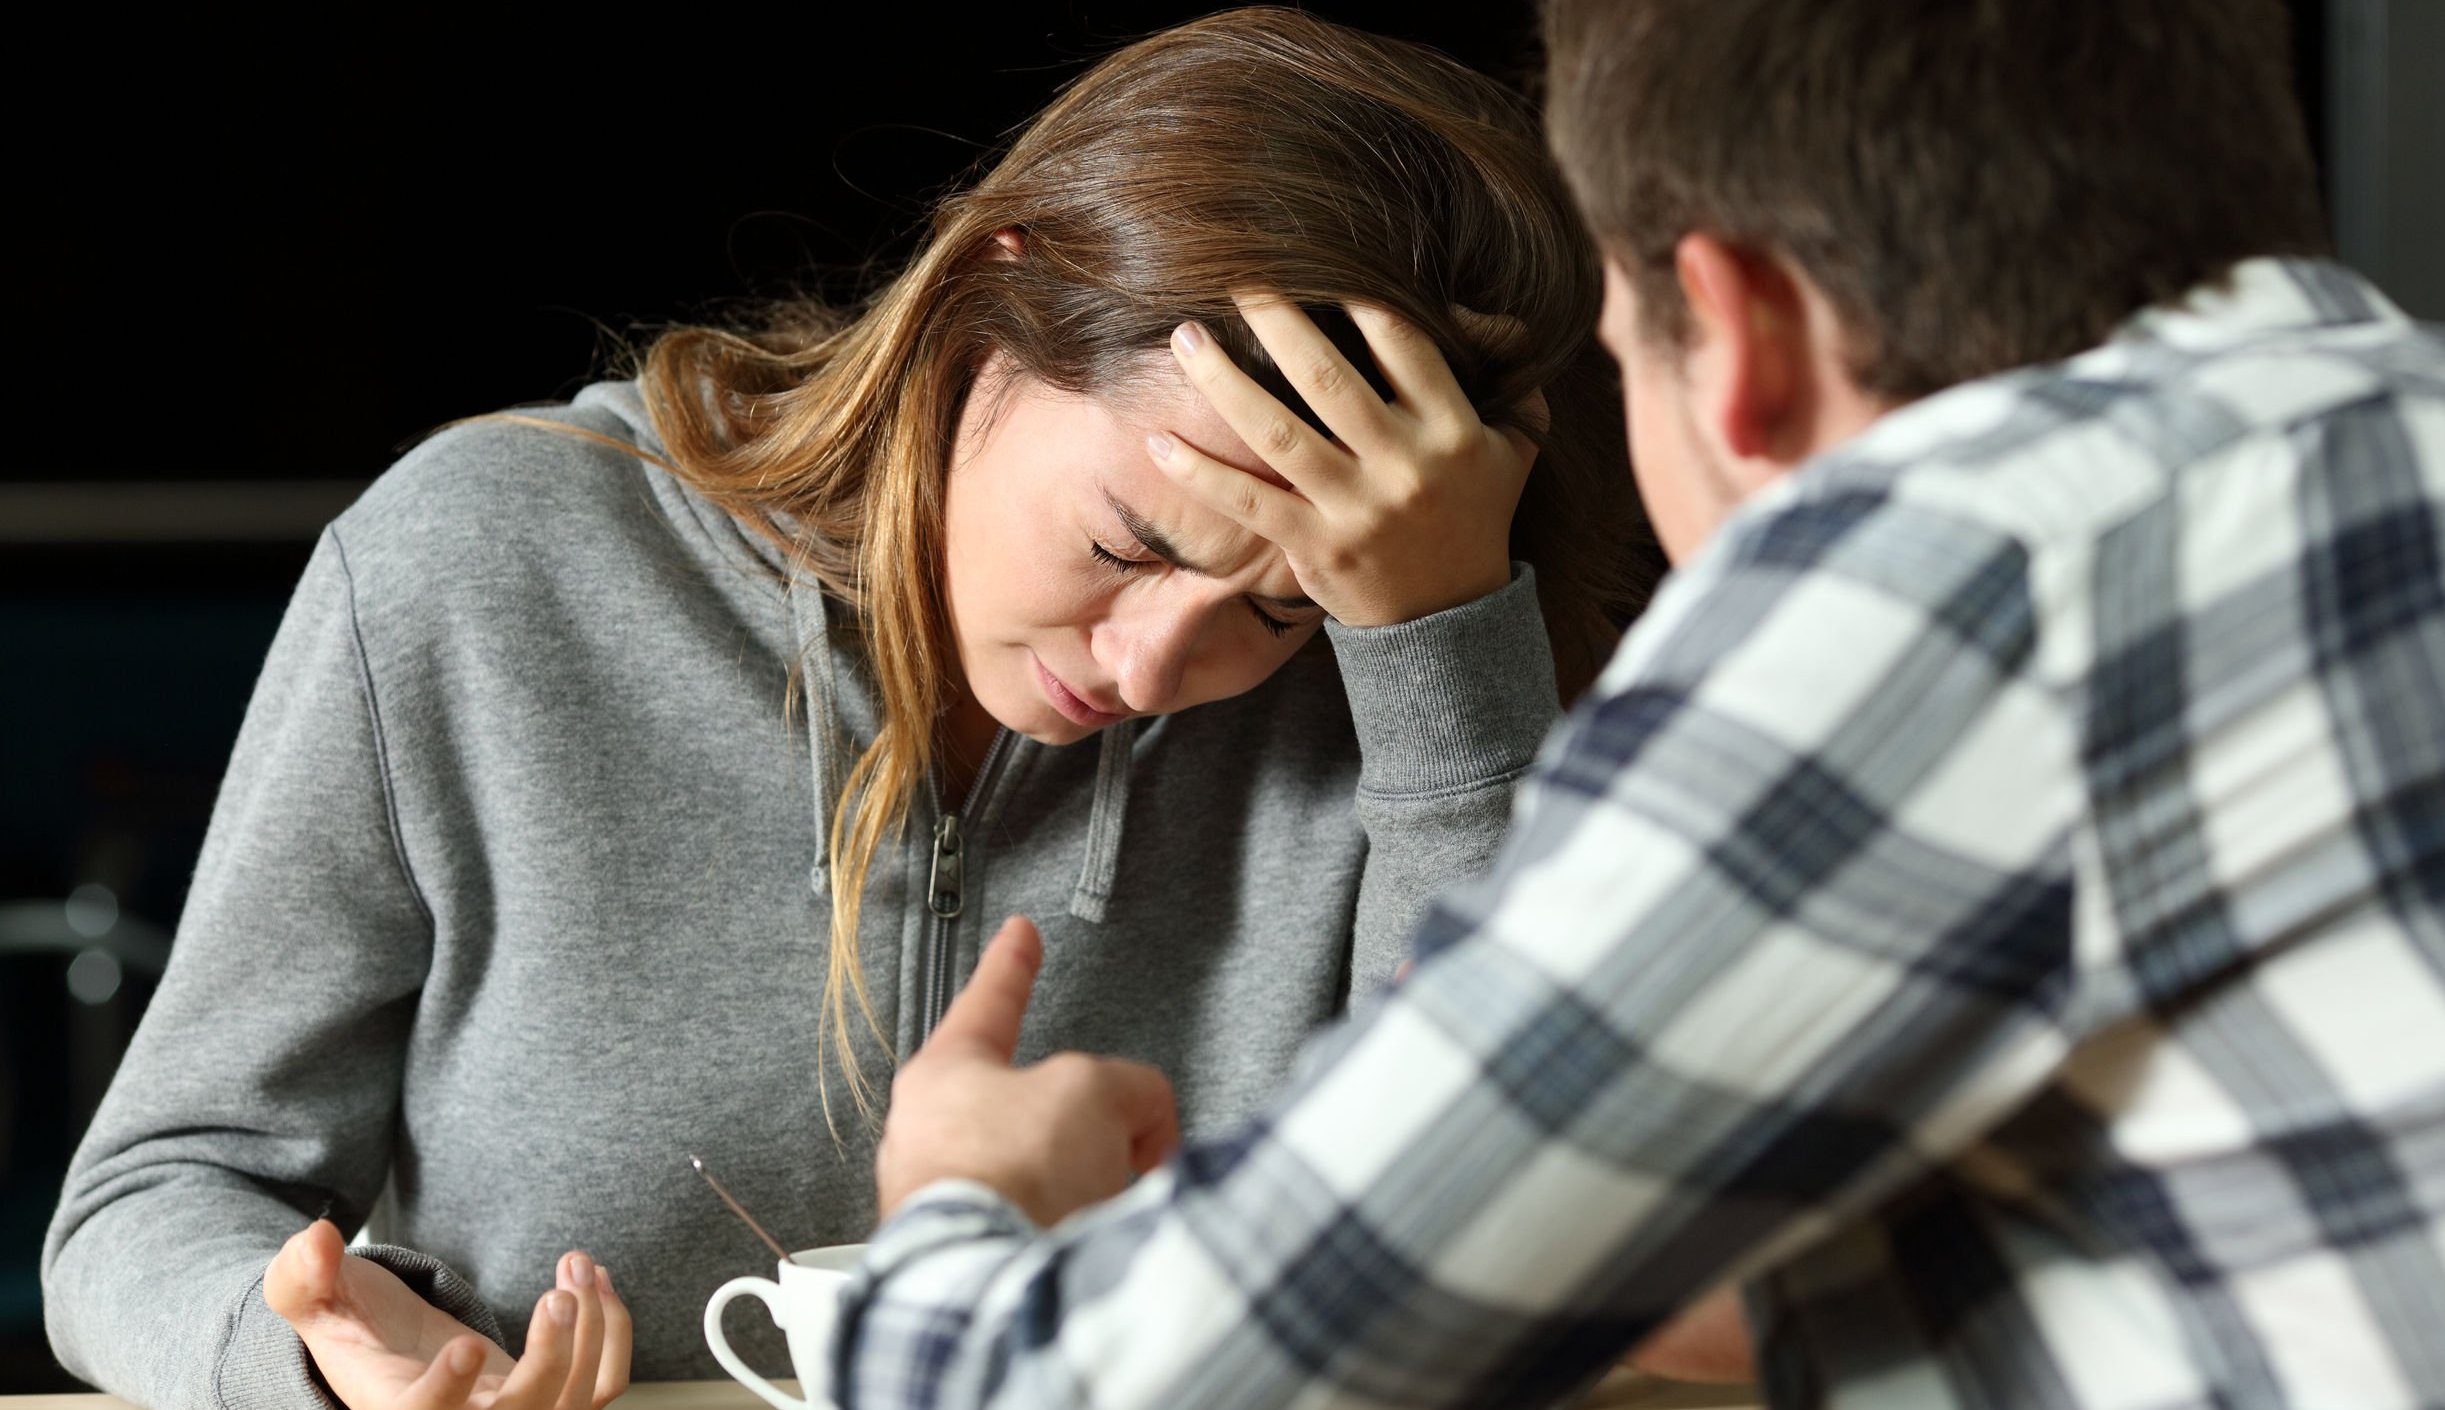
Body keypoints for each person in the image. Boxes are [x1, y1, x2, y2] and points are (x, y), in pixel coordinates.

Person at [837, 0, 2445, 1406]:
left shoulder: (1953, 580)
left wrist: (960, 1197)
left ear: (1736, 328)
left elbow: (1075, 1387)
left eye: (1626, 361)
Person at [39, 10, 1655, 1407]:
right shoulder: (479, 567)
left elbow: (1522, 1248)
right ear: (983, 312)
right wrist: (308, 1356)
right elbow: (148, 1202)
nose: (1157, 665)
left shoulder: (1412, 674)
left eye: (1282, 604)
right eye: (1127, 542)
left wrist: (1440, 647)